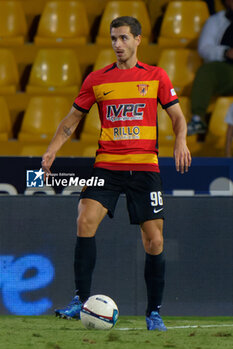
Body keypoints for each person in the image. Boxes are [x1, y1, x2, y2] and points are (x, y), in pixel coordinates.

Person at [41, 16, 191, 331]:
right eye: (113, 39)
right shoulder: (97, 79)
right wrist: (53, 148)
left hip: (144, 166)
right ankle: (79, 300)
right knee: (84, 219)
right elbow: (71, 119)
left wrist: (180, 141)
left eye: (123, 38)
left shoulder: (156, 76)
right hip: (107, 164)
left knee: (154, 241)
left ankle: (154, 313)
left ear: (138, 40)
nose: (117, 45)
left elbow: (177, 117)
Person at [187, 0, 233, 135]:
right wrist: (225, 52)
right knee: (207, 70)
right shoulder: (216, 21)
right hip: (227, 69)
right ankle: (197, 119)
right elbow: (204, 48)